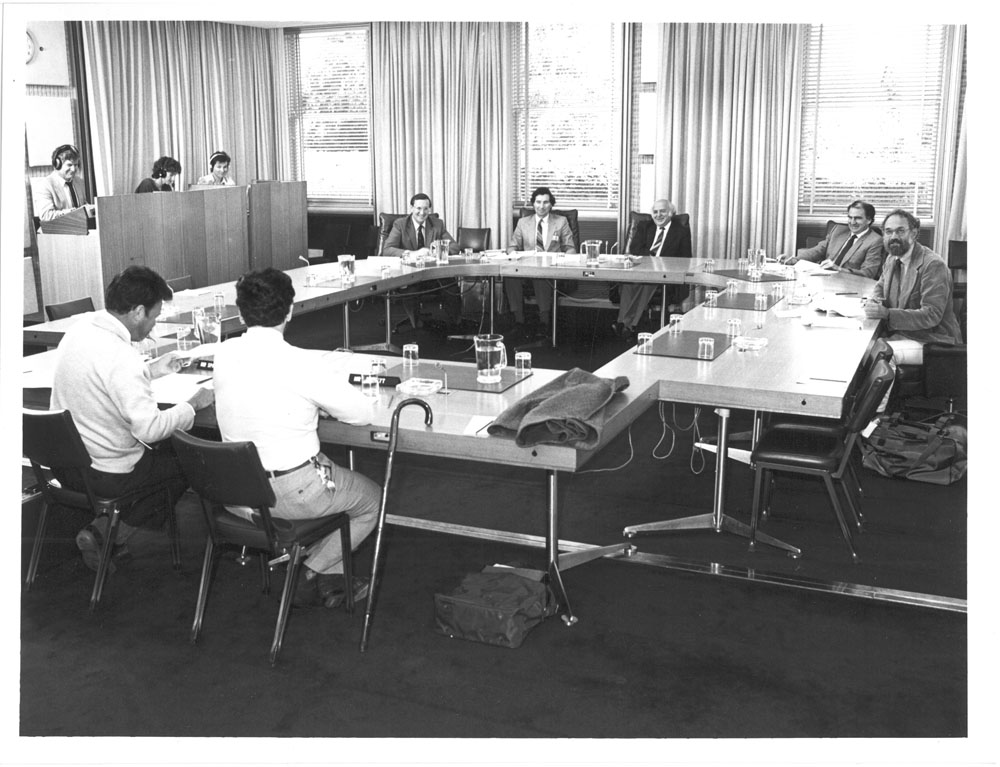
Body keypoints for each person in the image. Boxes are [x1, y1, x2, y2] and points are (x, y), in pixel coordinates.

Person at [213, 268, 380, 608]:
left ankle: (324, 571)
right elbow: (363, 414)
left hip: (234, 492)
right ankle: (313, 570)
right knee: (372, 500)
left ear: (241, 312)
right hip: (292, 494)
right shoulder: (302, 362)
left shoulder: (223, 353)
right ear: (289, 311)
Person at [50, 266, 215, 571]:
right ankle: (108, 533)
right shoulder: (121, 356)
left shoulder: (80, 331)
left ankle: (107, 529)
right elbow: (150, 429)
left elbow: (102, 377)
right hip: (107, 472)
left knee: (164, 455)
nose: (152, 328)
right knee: (190, 460)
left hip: (68, 465)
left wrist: (151, 370)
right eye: (153, 317)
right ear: (138, 311)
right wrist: (192, 405)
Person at [863, 209, 963, 365]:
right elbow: (880, 286)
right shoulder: (893, 257)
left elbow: (931, 315)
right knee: (863, 348)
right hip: (904, 332)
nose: (894, 237)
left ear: (914, 233)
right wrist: (874, 301)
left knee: (882, 355)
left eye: (900, 231)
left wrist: (887, 314)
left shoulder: (933, 265)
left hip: (933, 340)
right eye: (888, 232)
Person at [612, 199, 692, 342]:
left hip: (665, 273)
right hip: (643, 268)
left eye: (663, 211)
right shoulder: (644, 226)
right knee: (630, 282)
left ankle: (626, 324)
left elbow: (686, 257)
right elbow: (635, 248)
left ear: (671, 213)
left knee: (647, 284)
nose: (658, 215)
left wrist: (661, 262)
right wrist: (651, 257)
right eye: (655, 212)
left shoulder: (680, 231)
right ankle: (627, 324)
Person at [381, 192, 461, 330]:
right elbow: (386, 250)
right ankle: (415, 327)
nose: (422, 212)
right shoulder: (400, 224)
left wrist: (438, 250)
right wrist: (412, 254)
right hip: (409, 274)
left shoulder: (437, 224)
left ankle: (456, 325)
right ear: (412, 208)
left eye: (425, 209)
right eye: (418, 208)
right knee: (411, 287)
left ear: (429, 210)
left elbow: (455, 247)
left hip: (432, 275)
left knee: (451, 284)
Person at [505, 186, 577, 339]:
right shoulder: (523, 222)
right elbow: (512, 247)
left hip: (549, 268)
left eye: (545, 202)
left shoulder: (561, 221)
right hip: (526, 267)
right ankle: (519, 321)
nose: (541, 206)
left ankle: (544, 322)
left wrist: (561, 259)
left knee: (541, 276)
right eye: (538, 202)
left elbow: (570, 248)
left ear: (551, 205)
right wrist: (515, 255)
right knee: (510, 276)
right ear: (533, 204)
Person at [783, 200, 885, 279]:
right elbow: (818, 250)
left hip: (849, 285)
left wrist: (839, 269)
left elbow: (868, 273)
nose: (852, 222)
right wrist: (795, 259)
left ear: (869, 220)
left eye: (857, 218)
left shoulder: (875, 241)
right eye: (850, 217)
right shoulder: (838, 230)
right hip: (823, 279)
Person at [35, 144, 96, 221]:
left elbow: (83, 207)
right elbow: (46, 216)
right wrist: (74, 212)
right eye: (69, 165)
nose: (73, 169)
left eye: (76, 165)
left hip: (80, 228)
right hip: (58, 231)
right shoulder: (44, 185)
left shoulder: (79, 182)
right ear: (57, 164)